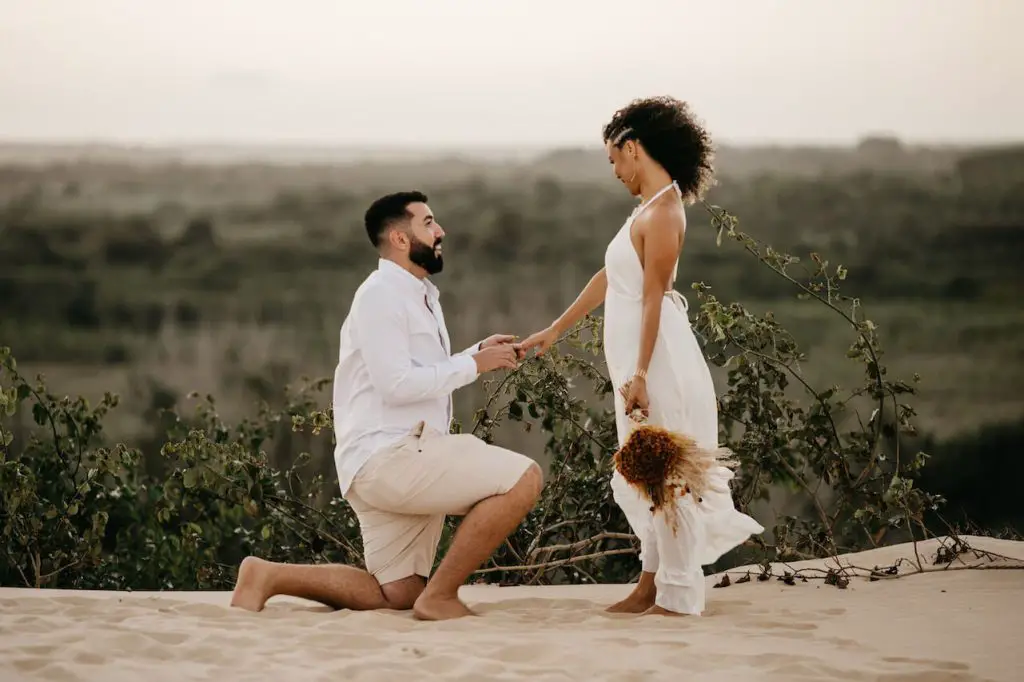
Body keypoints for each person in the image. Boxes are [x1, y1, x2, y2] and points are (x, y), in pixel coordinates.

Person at [230, 191, 543, 621]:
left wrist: (477, 351)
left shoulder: (416, 294)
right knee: (523, 480)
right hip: (392, 455)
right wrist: (473, 364)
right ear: (399, 237)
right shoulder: (379, 295)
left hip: (387, 461)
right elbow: (395, 384)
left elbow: (418, 370)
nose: (440, 231)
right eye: (429, 223)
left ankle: (268, 576)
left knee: (395, 594)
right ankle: (443, 596)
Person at [517, 97, 763, 616]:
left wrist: (642, 374)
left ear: (633, 148)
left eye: (614, 160)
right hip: (635, 361)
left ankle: (676, 594)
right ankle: (650, 583)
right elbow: (613, 278)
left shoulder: (667, 212)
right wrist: (556, 329)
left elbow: (654, 297)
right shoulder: (647, 210)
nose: (614, 172)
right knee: (645, 471)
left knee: (665, 474)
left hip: (658, 362)